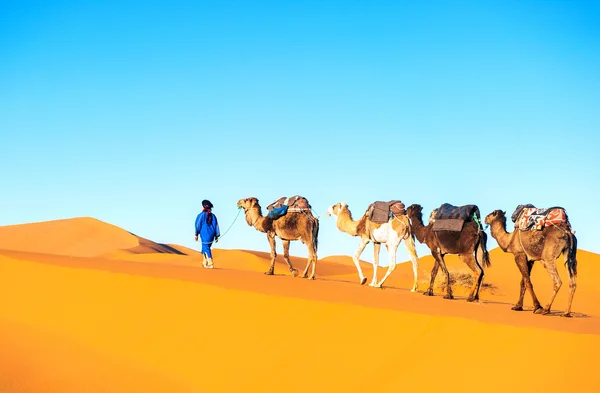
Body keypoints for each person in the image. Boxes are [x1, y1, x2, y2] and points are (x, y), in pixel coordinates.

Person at [194, 199, 220, 268]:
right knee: (205, 248)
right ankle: (204, 262)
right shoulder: (213, 216)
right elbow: (216, 226)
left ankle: (210, 263)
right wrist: (216, 236)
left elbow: (197, 225)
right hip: (211, 235)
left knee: (206, 247)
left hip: (205, 234)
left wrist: (196, 234)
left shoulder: (201, 215)